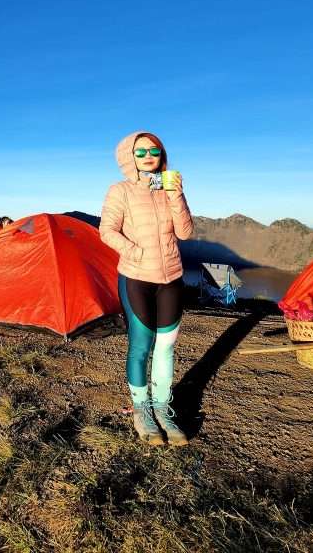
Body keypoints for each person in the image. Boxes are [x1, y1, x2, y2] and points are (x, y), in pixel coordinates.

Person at [99, 131, 194, 447]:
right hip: (137, 278)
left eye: (154, 150)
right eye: (140, 152)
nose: (148, 156)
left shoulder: (169, 188)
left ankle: (162, 409)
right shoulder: (121, 191)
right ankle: (142, 410)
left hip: (171, 279)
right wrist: (135, 252)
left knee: (166, 347)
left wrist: (176, 196)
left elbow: (185, 232)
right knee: (141, 346)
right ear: (129, 157)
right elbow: (107, 231)